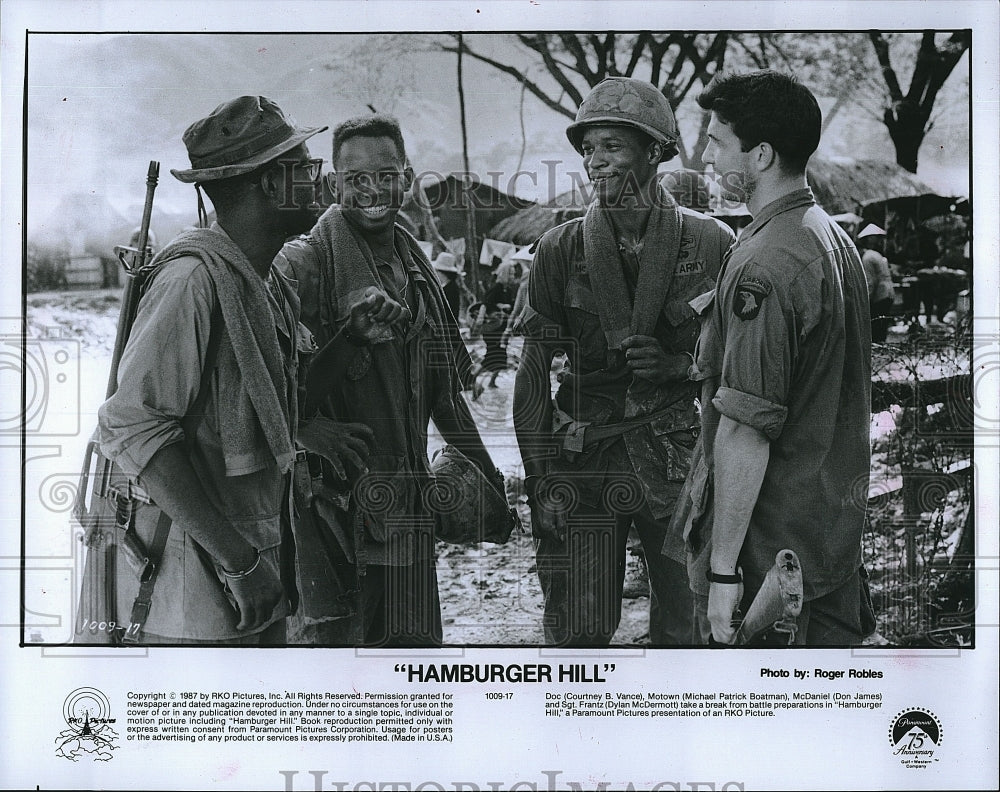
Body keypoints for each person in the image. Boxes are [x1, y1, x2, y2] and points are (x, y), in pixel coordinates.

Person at [97, 95, 382, 644]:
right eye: (307, 169)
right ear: (271, 186)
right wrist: (241, 565)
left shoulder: (266, 282)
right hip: (191, 568)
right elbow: (133, 427)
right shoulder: (191, 283)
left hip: (254, 553)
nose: (320, 185)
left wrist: (350, 339)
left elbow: (282, 408)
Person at [513, 77, 735, 647]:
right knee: (578, 633)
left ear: (655, 150)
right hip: (583, 465)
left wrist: (680, 367)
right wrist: (540, 484)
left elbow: (741, 364)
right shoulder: (560, 249)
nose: (595, 163)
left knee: (689, 629)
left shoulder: (711, 244)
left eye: (611, 146)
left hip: (678, 462)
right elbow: (533, 376)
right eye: (588, 149)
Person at [275, 114, 503, 647]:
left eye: (386, 175)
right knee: (344, 677)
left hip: (406, 513)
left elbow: (443, 395)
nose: (373, 190)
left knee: (416, 664)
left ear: (408, 178)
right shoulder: (302, 266)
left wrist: (490, 482)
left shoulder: (416, 269)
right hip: (331, 519)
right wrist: (345, 348)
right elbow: (270, 393)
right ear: (335, 185)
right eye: (356, 179)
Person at [682, 70, 875, 646]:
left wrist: (720, 574)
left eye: (717, 142)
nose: (709, 157)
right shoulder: (830, 236)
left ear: (761, 154)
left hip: (768, 566)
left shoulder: (763, 261)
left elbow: (744, 430)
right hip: (827, 543)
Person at [857, 224, 896, 342]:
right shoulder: (877, 255)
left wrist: (866, 300)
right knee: (882, 325)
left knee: (876, 325)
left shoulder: (868, 257)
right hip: (888, 292)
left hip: (880, 293)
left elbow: (871, 282)